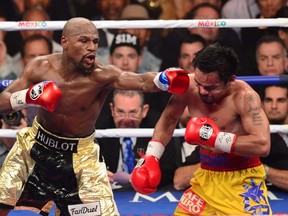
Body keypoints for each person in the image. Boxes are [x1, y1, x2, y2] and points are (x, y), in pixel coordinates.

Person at [0, 17, 189, 216]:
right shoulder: (40, 67)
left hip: (81, 158)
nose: (91, 47)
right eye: (84, 41)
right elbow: (2, 101)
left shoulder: (101, 75)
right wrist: (27, 97)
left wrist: (163, 79)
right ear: (65, 42)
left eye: (96, 42)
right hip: (36, 147)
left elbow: (140, 81)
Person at [131, 43, 272, 215]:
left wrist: (215, 138)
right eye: (199, 83)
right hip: (205, 176)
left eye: (211, 87)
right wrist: (152, 155)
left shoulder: (245, 97)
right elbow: (169, 118)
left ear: (230, 80)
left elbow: (262, 145)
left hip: (242, 179)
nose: (202, 91)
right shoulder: (189, 85)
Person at [98, 89, 178, 189]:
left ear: (144, 111)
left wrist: (147, 178)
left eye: (133, 113)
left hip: (148, 195)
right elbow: (85, 165)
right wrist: (97, 174)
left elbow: (169, 169)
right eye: (120, 112)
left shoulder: (158, 129)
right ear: (112, 110)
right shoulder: (98, 129)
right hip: (109, 192)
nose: (126, 119)